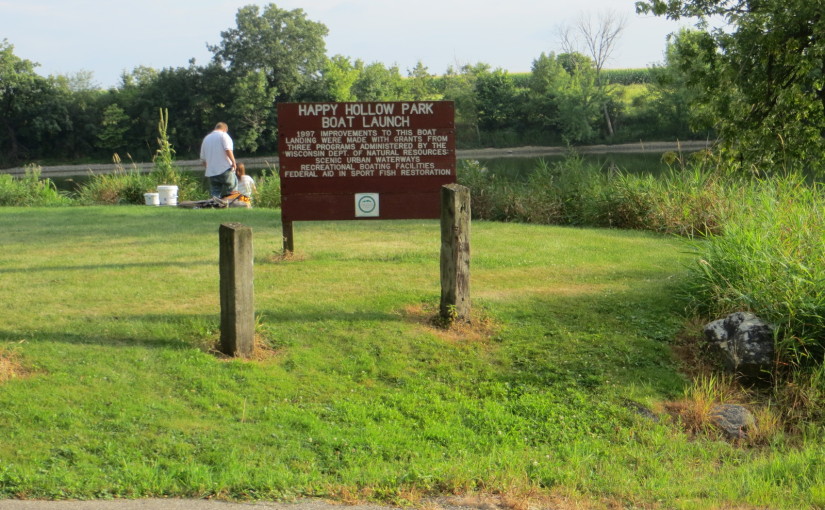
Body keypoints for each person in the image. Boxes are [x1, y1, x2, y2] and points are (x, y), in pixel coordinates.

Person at [200, 122, 237, 198]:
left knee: (215, 192)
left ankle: (214, 207)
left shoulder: (206, 139)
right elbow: (228, 150)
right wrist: (233, 162)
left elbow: (203, 159)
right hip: (225, 168)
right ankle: (232, 206)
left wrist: (209, 168)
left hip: (212, 171)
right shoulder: (224, 136)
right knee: (232, 189)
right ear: (225, 129)